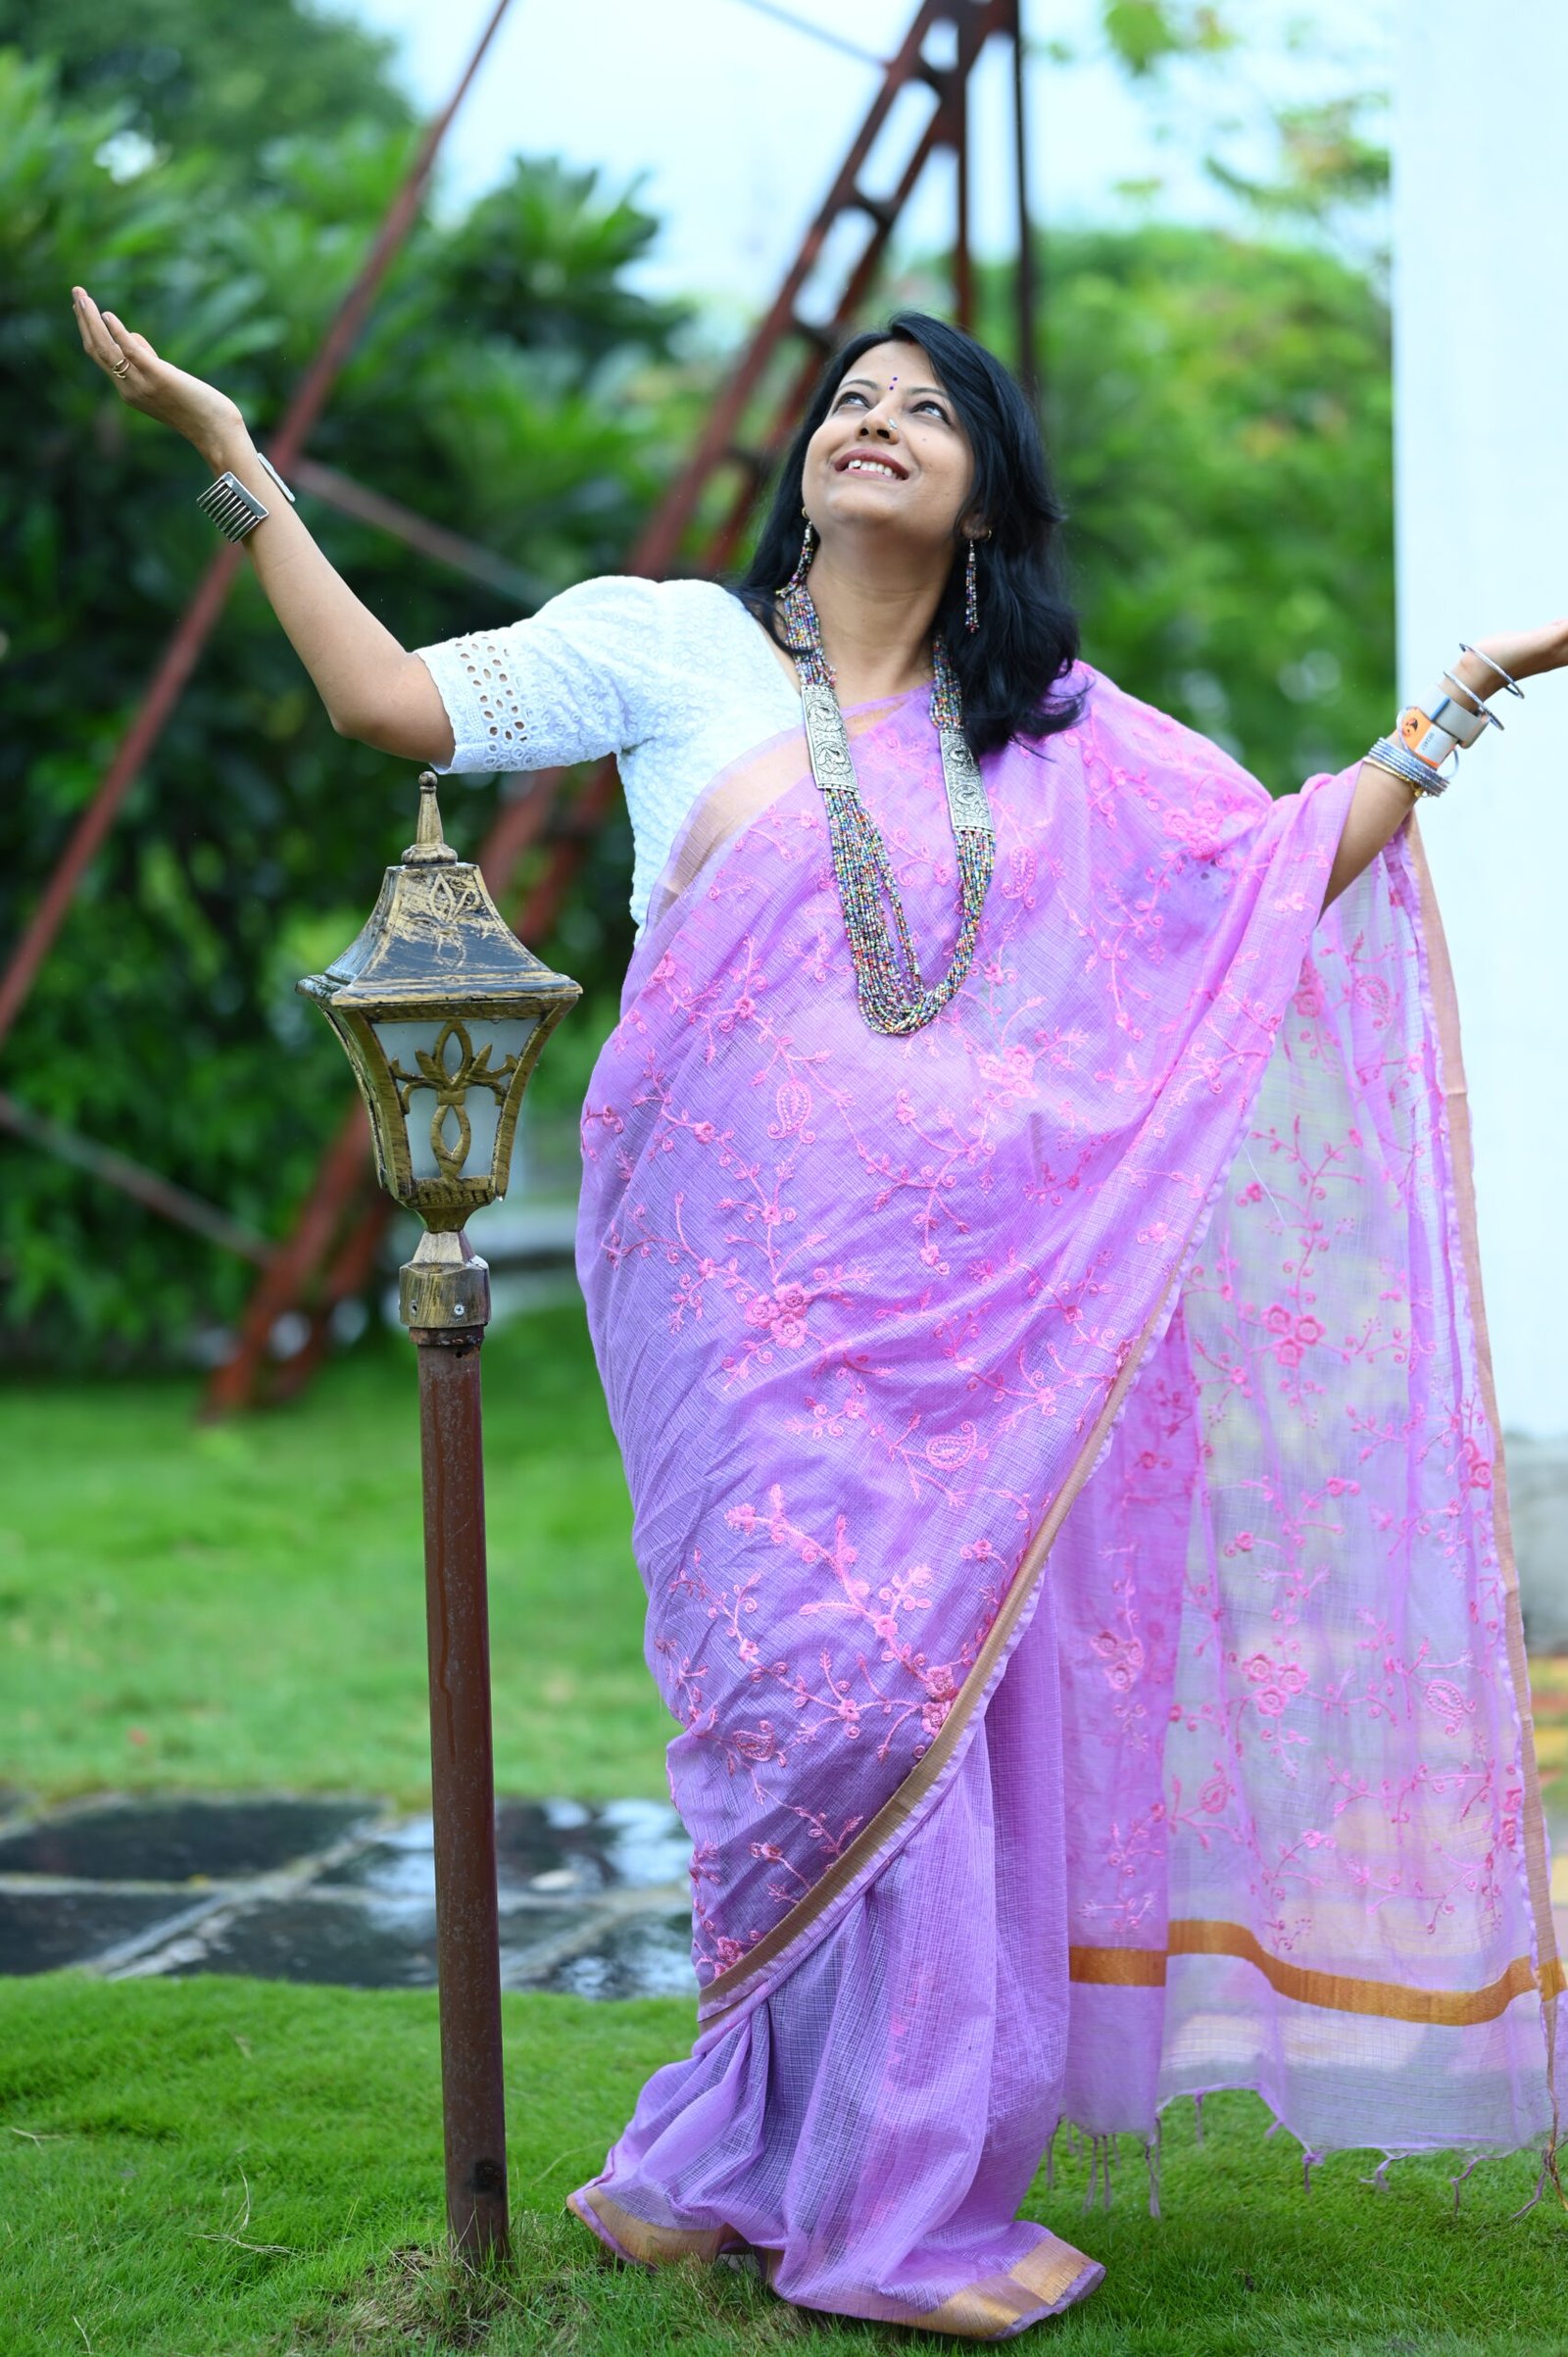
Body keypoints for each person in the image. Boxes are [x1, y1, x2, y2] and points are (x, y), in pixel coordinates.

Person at [73, 285, 1567, 2340]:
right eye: (849, 399)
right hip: (721, 1295)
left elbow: (1263, 875)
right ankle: (796, 2161)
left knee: (919, 1701)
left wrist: (1456, 703)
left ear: (985, 492)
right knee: (813, 1705)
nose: (869, 421)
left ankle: (809, 2177)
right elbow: (393, 708)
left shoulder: (1050, 730)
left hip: (966, 1321)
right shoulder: (672, 645)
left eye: (921, 410)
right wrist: (240, 466)